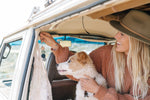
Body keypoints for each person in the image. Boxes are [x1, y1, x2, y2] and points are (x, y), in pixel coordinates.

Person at [40, 10, 150, 100]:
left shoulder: (147, 69)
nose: (116, 36)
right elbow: (79, 66)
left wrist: (98, 91)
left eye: (122, 34)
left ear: (136, 41)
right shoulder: (106, 53)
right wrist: (55, 46)